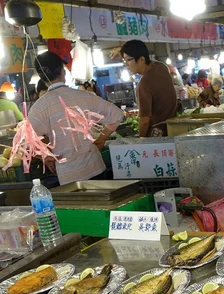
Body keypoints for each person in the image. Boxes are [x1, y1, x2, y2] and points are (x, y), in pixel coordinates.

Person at [29, 51, 122, 185]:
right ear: (63, 71)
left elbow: (27, 144)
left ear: (41, 78)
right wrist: (102, 138)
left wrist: (46, 155)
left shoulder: (38, 108)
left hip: (68, 176)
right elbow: (117, 115)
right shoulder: (85, 96)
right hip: (95, 167)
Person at [121, 40, 178, 137]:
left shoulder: (144, 84)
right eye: (124, 60)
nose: (126, 65)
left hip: (157, 135)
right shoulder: (161, 67)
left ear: (141, 59)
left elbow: (144, 121)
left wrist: (141, 140)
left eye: (128, 60)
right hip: (173, 129)